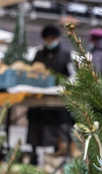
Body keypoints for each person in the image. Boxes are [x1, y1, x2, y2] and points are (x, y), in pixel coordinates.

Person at [27, 25, 73, 162]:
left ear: (57, 38)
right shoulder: (38, 54)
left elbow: (71, 75)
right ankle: (33, 154)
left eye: (52, 38)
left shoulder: (65, 54)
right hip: (39, 97)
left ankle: (59, 152)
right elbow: (32, 71)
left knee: (59, 124)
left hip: (58, 99)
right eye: (47, 38)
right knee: (35, 121)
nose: (49, 41)